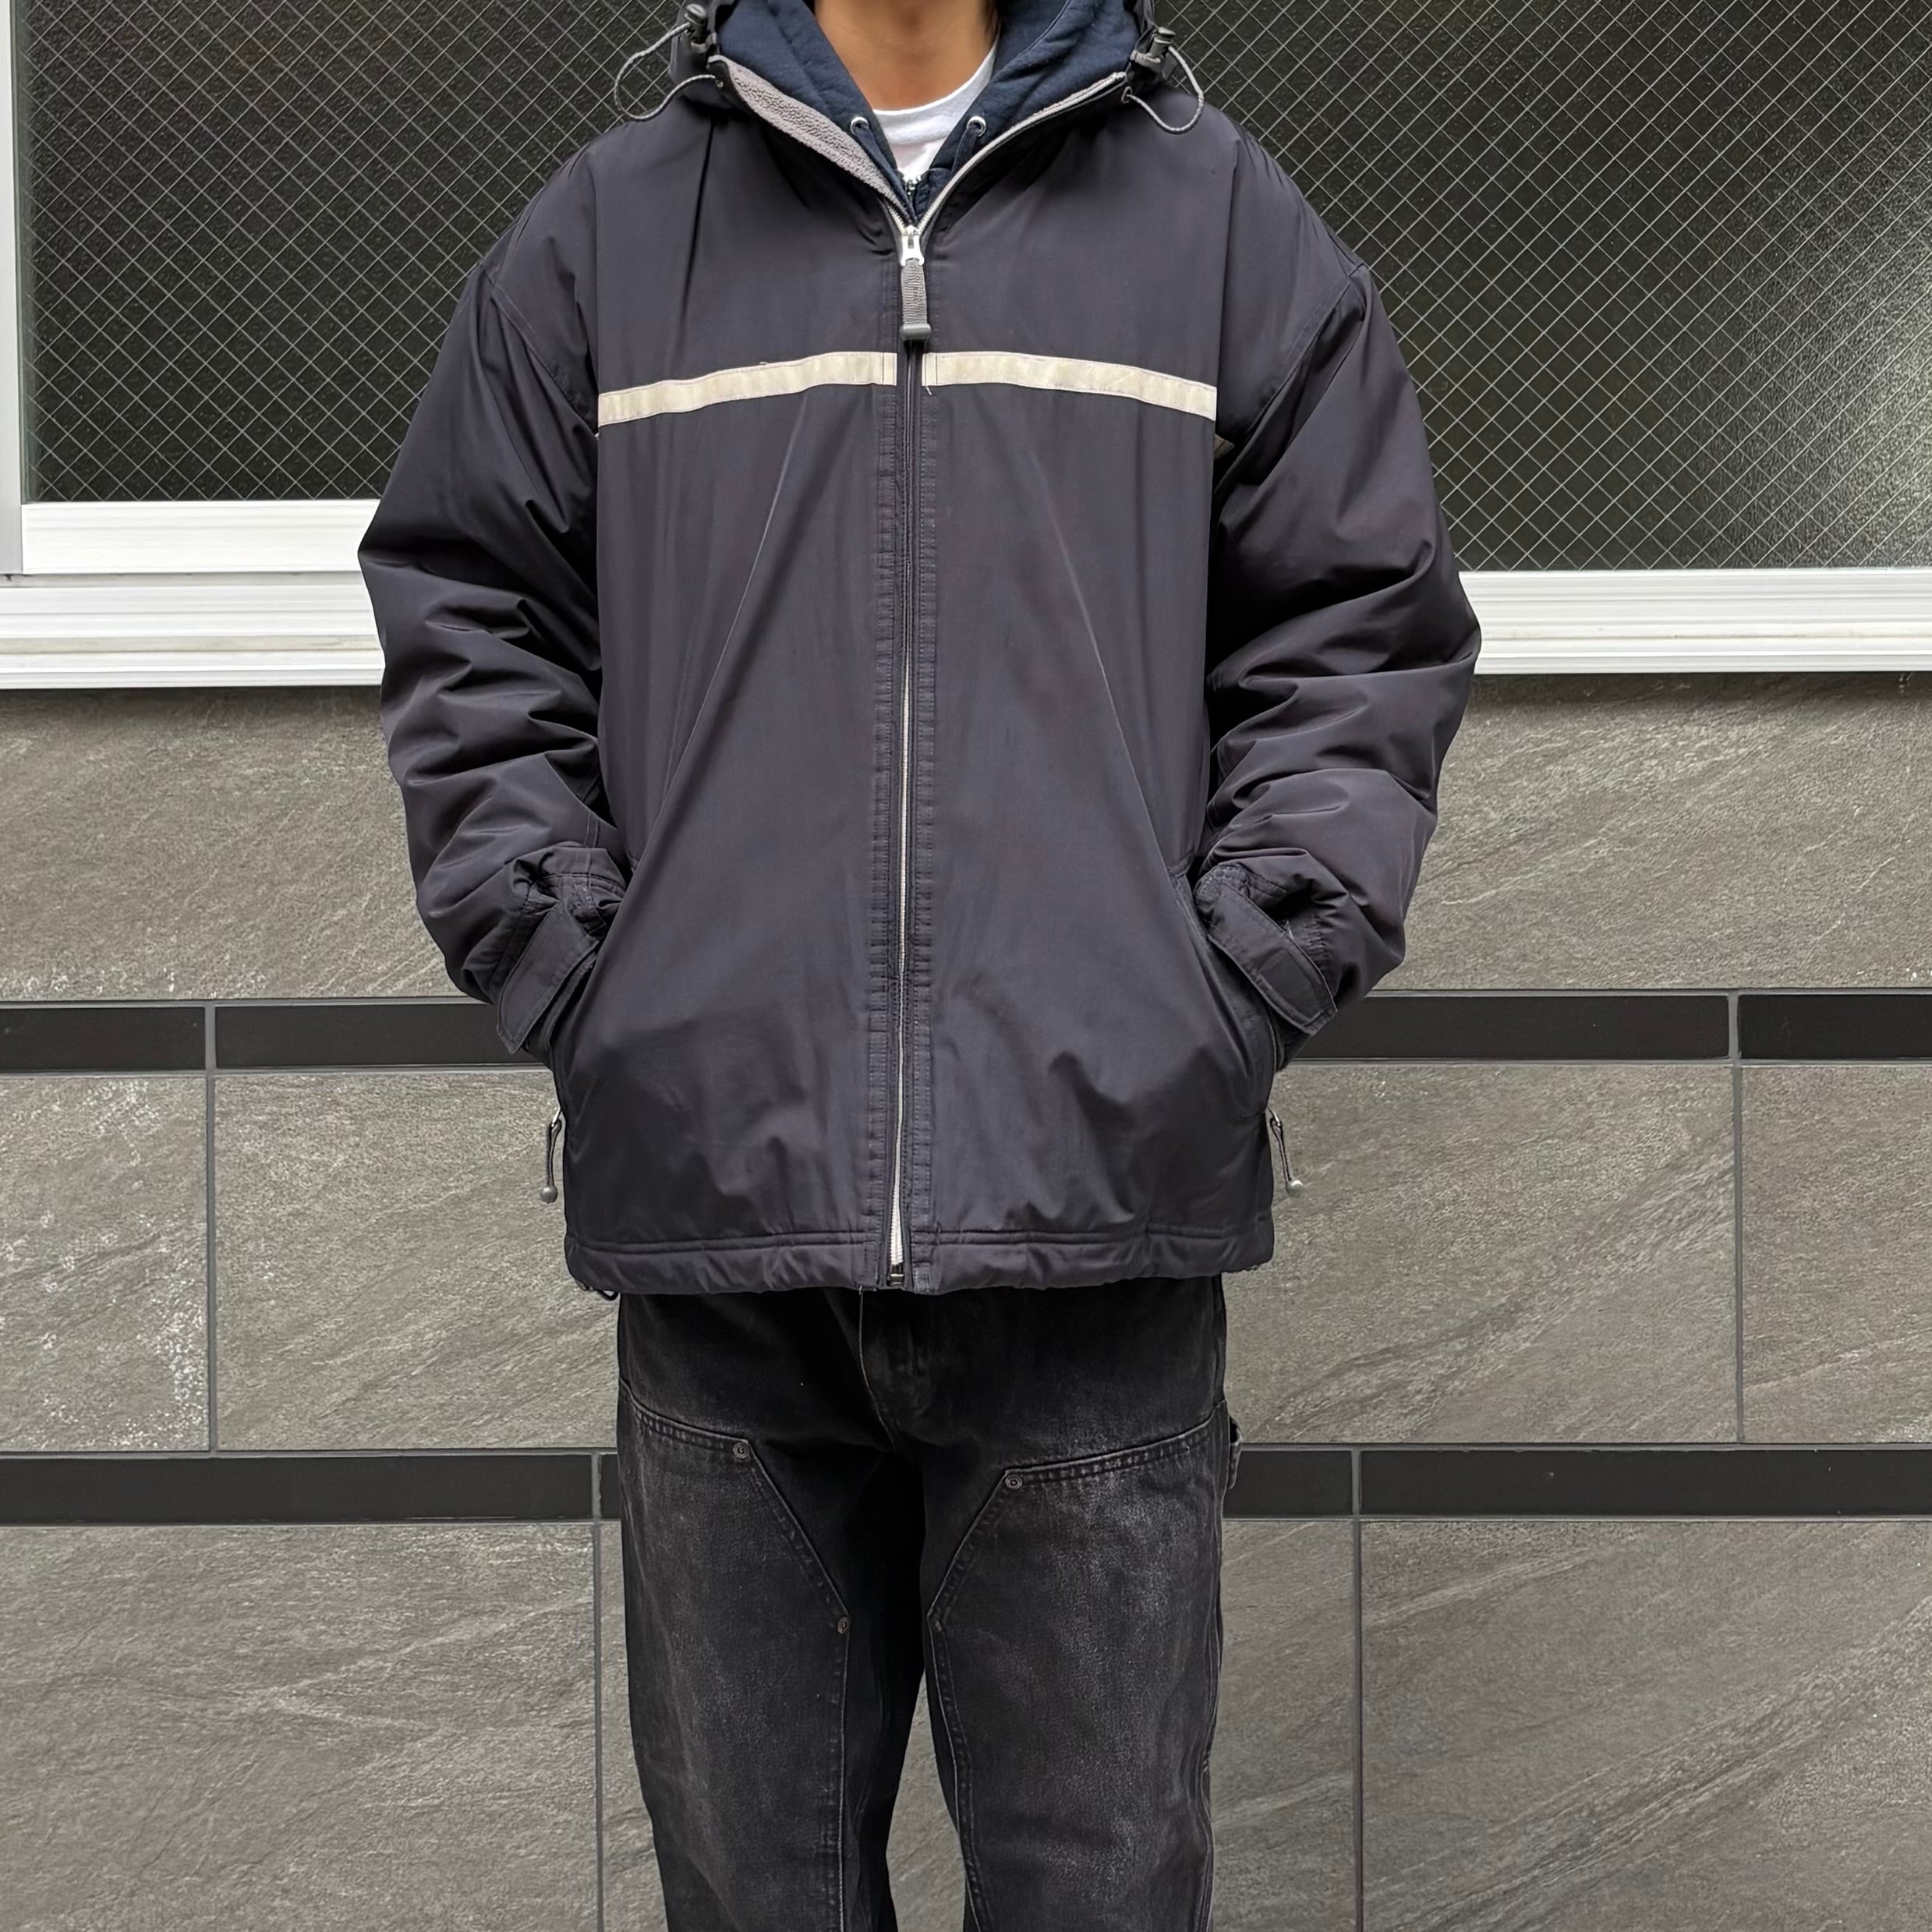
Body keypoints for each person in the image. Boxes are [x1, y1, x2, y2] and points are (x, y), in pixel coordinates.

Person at [359, 0, 1480, 1921]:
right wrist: (596, 989)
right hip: (727, 1234)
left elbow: (1359, 631)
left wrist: (1216, 1000)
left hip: (1093, 1232)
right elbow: (473, 609)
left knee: (1101, 1898)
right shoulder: (610, 234)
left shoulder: (1218, 226)